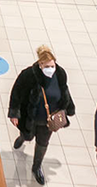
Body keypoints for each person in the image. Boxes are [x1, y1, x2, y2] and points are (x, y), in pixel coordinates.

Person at [8, 46, 76, 185]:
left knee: (43, 143)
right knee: (28, 135)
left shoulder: (60, 74)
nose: (51, 69)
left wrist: (69, 108)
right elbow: (17, 92)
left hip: (49, 120)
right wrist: (14, 113)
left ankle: (36, 166)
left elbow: (64, 91)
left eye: (53, 65)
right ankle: (22, 138)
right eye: (47, 66)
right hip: (30, 117)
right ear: (40, 65)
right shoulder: (29, 75)